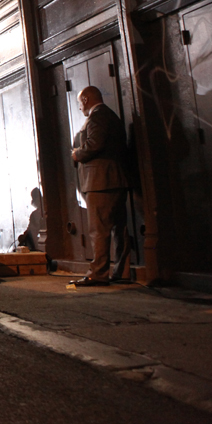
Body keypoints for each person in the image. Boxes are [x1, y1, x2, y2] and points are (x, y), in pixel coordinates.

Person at [70, 86, 131, 286]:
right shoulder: (111, 116)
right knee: (119, 228)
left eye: (80, 103)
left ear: (86, 100)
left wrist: (77, 154)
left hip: (100, 182)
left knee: (99, 230)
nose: (80, 108)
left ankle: (98, 274)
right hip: (117, 180)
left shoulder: (97, 117)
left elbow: (94, 144)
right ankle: (121, 272)